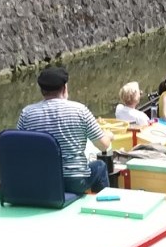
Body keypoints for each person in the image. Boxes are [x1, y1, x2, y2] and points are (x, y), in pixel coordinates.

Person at [15, 65, 112, 195]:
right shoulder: (80, 110)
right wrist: (109, 136)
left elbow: (19, 149)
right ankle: (100, 208)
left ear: (42, 90)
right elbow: (103, 145)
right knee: (100, 166)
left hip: (42, 182)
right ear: (65, 88)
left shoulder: (27, 113)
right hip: (75, 182)